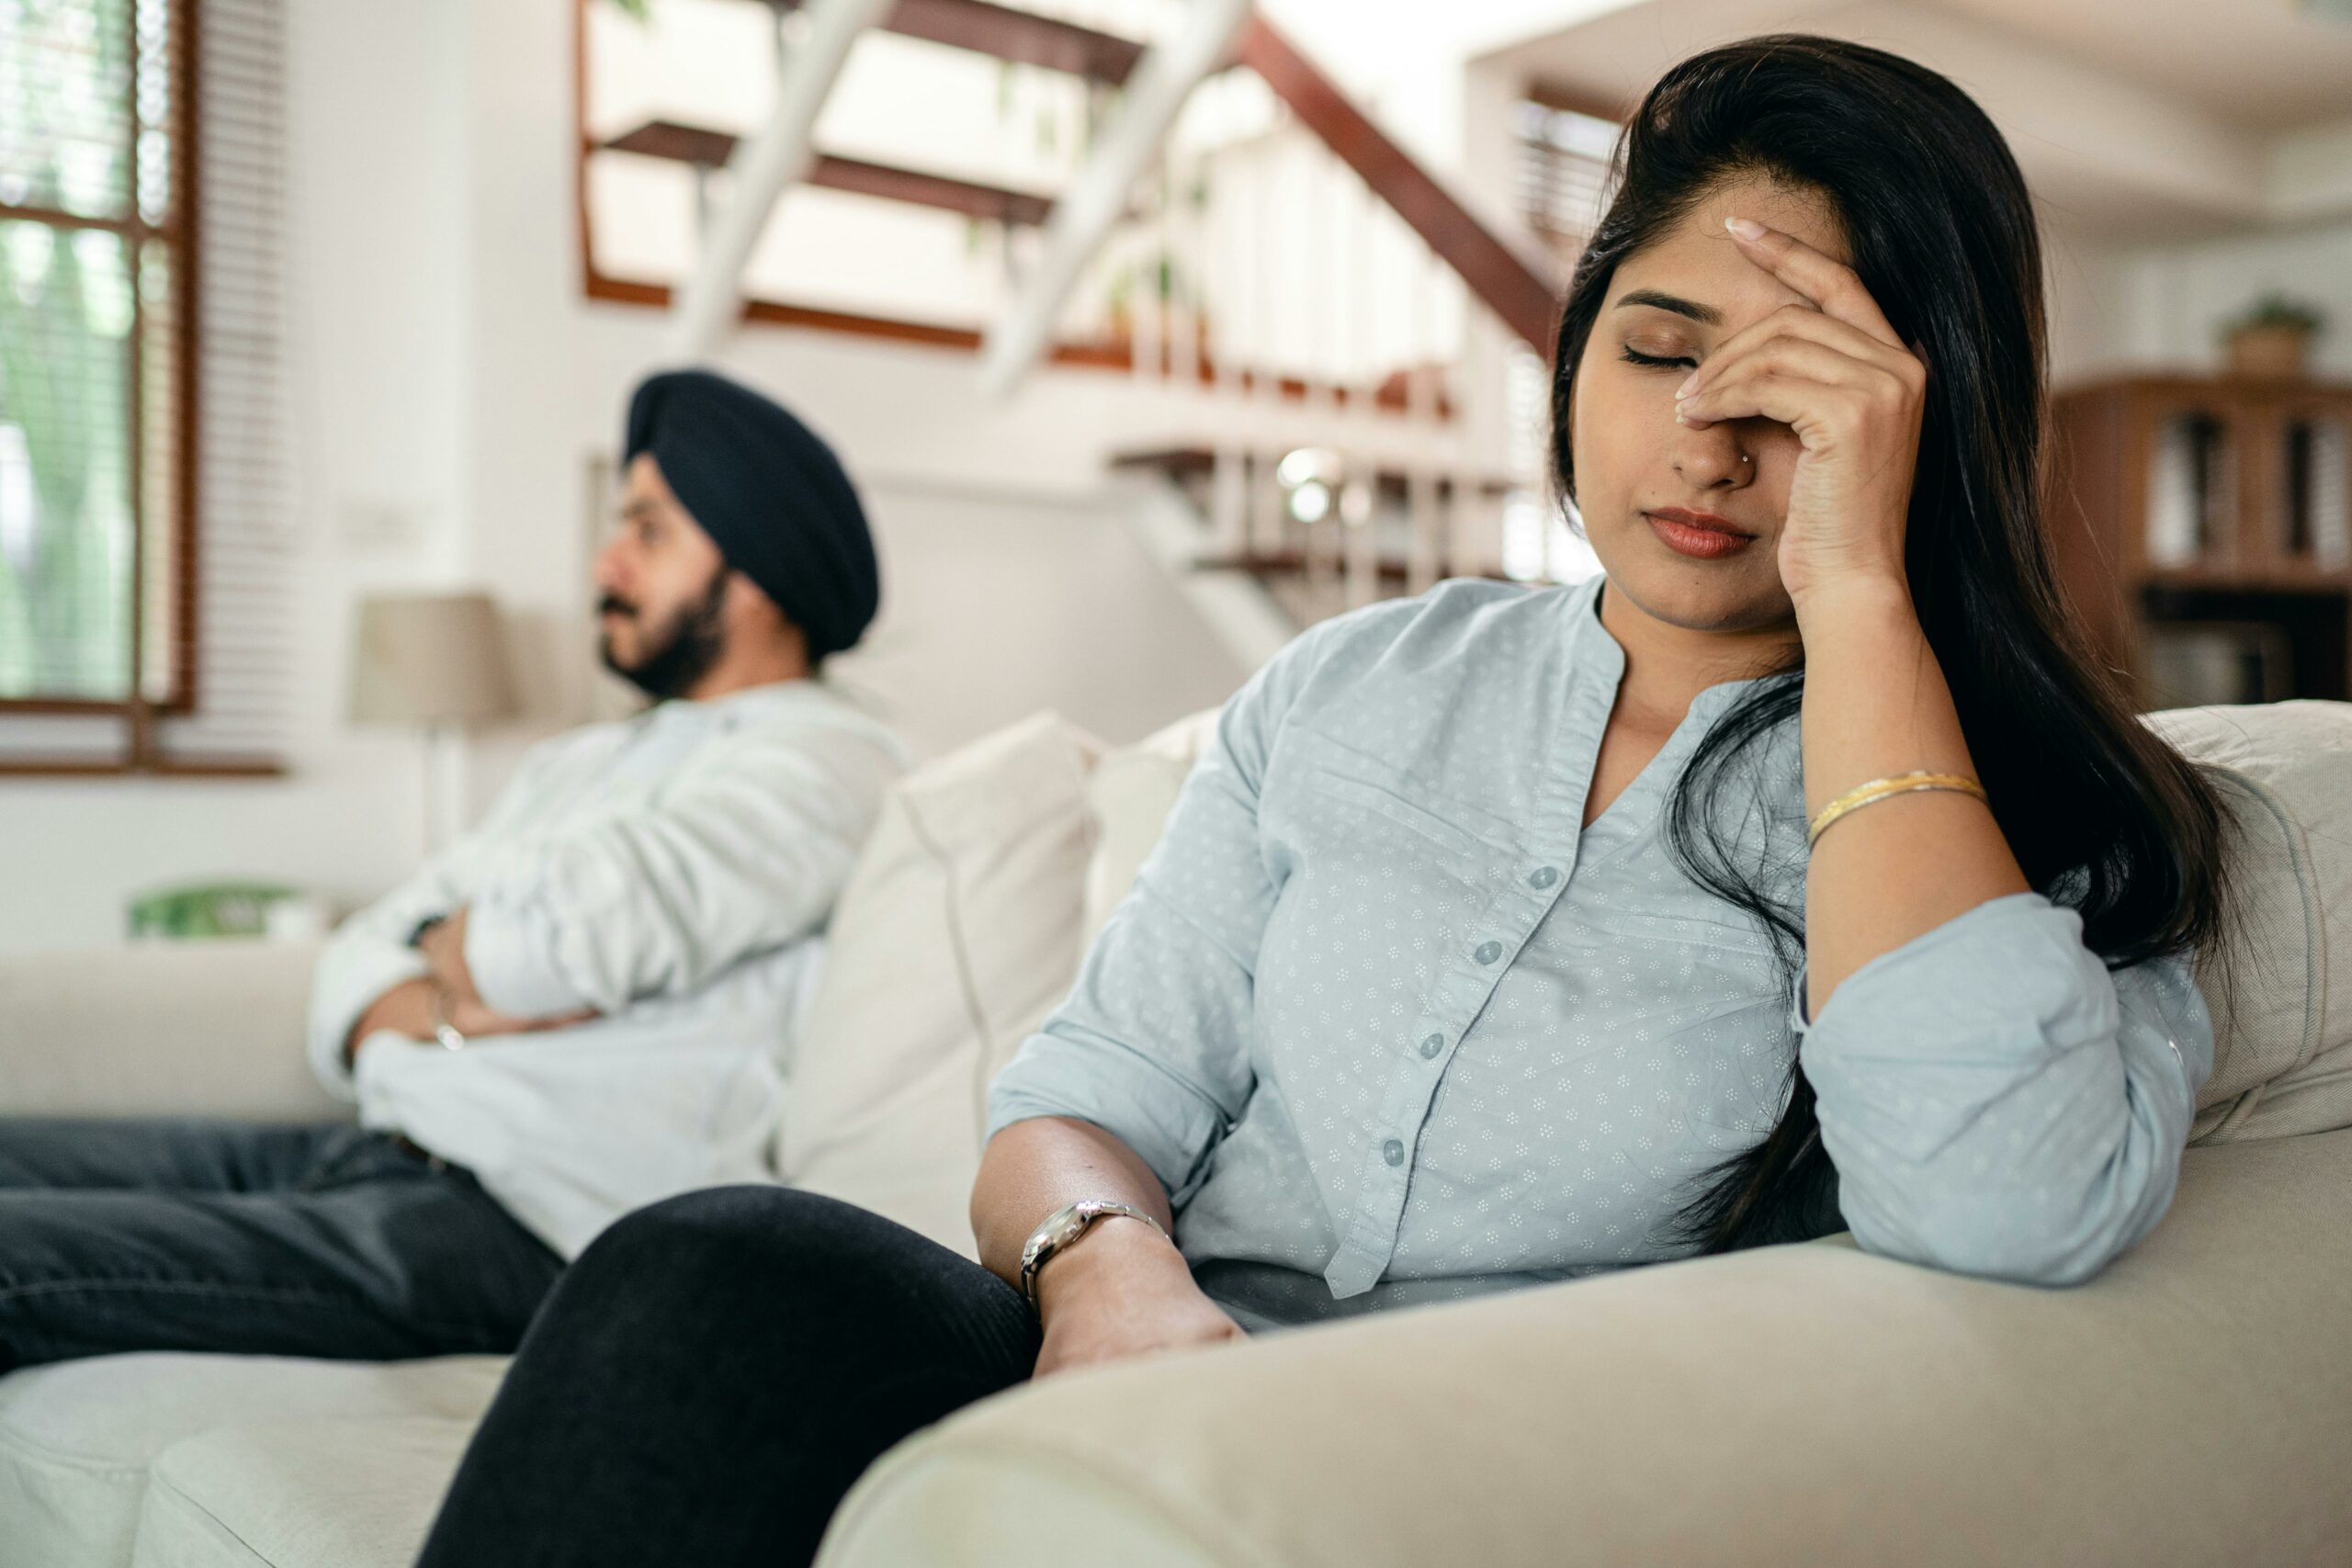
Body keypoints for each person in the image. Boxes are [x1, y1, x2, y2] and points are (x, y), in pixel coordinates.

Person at [413, 36, 2238, 1568]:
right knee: (712, 1269)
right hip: (1123, 1356)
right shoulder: (1350, 684)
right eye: (1659, 347)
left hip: (1452, 1469)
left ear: (1919, 422)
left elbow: (2003, 1202)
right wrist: (1102, 1266)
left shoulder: (2024, 818)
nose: (1700, 441)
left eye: (1798, 395)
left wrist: (1856, 596)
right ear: (1576, 351)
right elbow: (1078, 1095)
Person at [0, 368, 909, 1371]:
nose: (605, 562)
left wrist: (458, 947)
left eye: (648, 532)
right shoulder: (589, 760)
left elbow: (531, 952)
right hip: (372, 1150)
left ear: (761, 573)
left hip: (513, 1229)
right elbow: (358, 955)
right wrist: (442, 1001)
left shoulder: (829, 763)